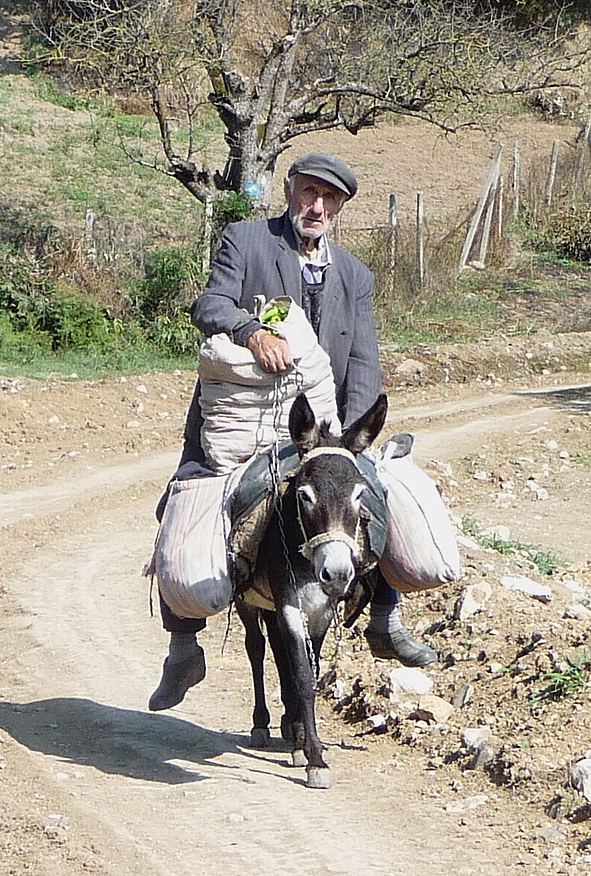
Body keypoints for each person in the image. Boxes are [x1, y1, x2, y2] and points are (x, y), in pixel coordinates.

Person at [149, 152, 438, 712]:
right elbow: (209, 303)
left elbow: (363, 361)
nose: (317, 206)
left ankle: (384, 614)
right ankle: (183, 645)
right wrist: (250, 328)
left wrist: (352, 443)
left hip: (323, 431)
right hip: (248, 425)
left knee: (377, 496)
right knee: (181, 506)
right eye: (309, 193)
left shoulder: (354, 275)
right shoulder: (248, 240)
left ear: (340, 208)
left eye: (330, 199)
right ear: (289, 191)